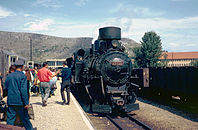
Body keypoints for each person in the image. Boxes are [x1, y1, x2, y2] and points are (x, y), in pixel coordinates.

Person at [5, 60, 33, 130]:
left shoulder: (9, 76)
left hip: (11, 100)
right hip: (20, 101)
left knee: (10, 119)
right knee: (25, 119)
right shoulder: (22, 76)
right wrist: (26, 102)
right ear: (22, 67)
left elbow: (6, 87)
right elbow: (23, 90)